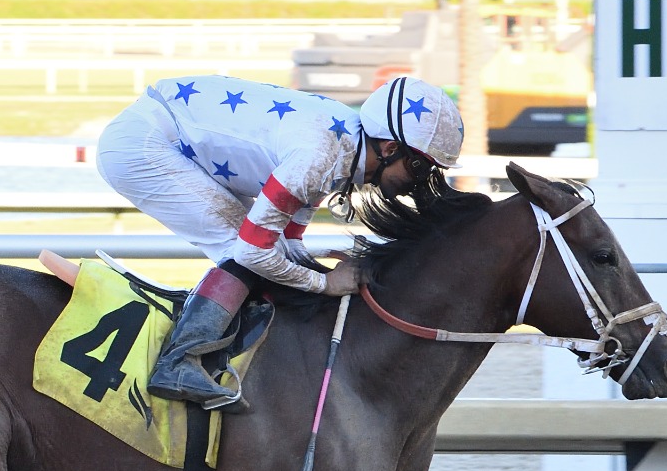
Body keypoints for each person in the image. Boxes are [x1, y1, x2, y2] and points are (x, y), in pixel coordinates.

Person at [96, 73, 465, 408]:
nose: (420, 182)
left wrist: (318, 259)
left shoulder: (346, 147)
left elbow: (287, 241)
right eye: (421, 167)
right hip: (142, 144)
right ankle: (179, 361)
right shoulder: (320, 157)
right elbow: (252, 251)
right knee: (236, 247)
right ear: (389, 148)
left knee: (255, 248)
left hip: (167, 130)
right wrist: (325, 283)